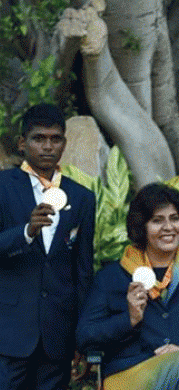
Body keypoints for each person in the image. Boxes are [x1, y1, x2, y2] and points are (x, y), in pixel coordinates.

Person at [76, 183, 179, 389]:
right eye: (157, 220)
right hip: (133, 375)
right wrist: (129, 319)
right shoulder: (112, 277)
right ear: (142, 226)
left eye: (175, 219)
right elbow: (85, 337)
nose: (168, 227)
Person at [0, 103, 96, 390]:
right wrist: (26, 232)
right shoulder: (3, 187)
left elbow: (83, 271)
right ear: (22, 143)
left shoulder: (82, 198)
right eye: (39, 138)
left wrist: (83, 336)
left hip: (58, 335)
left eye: (55, 139)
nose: (47, 147)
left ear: (64, 144)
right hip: (9, 333)